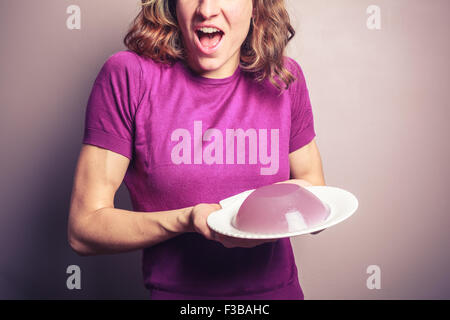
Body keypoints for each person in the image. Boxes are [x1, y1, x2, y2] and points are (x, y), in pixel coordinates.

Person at [68, 0, 326, 300]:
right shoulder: (128, 76)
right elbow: (83, 229)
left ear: (256, 6)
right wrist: (187, 220)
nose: (206, 9)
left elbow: (315, 195)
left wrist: (258, 216)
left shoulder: (282, 78)